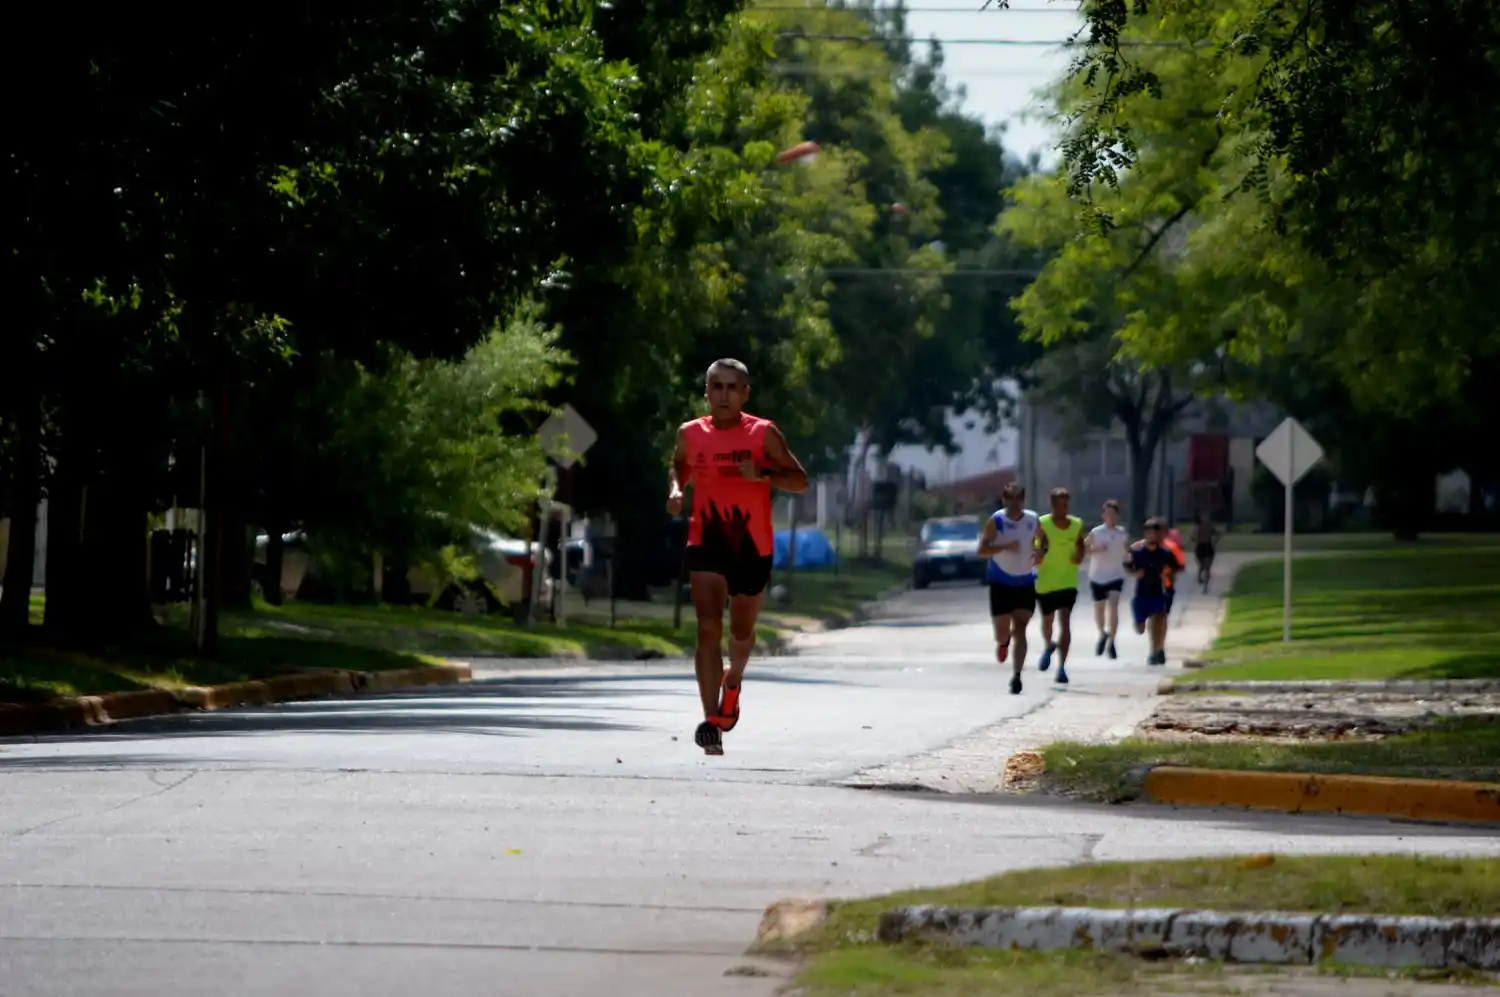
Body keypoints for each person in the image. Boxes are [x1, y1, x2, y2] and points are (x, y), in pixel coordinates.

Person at [667, 359, 808, 755]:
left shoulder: (763, 434)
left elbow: (799, 480)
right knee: (708, 627)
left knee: (741, 635)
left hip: (751, 545)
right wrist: (677, 491)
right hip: (706, 539)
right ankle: (711, 721)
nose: (723, 395)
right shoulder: (691, 434)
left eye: (732, 387)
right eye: (716, 386)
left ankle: (734, 682)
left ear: (745, 393)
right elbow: (679, 465)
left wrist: (761, 474)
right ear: (707, 392)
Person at [978, 482, 1044, 695]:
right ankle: (1004, 642)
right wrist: (1005, 546)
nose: (1015, 503)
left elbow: (1043, 542)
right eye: (1010, 498)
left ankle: (1016, 676)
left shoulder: (1033, 520)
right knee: (1002, 631)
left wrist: (1041, 552)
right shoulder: (997, 521)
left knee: (1022, 628)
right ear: (1004, 500)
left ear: (1023, 500)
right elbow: (981, 550)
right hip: (1001, 582)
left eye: (1019, 498)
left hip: (1025, 581)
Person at [1035, 487, 1085, 685]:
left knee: (1065, 621)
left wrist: (1079, 556)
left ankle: (1062, 667)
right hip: (1046, 582)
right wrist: (1037, 556)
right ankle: (1048, 645)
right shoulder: (1042, 524)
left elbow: (1081, 546)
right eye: (1058, 505)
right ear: (1052, 505)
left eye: (1065, 505)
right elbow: (1036, 546)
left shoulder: (1076, 524)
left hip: (1067, 581)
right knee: (1048, 622)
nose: (1062, 509)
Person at [1125, 516, 1178, 666]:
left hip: (1157, 593)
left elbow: (1175, 568)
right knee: (1140, 629)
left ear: (1159, 534)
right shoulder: (1138, 552)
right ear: (1145, 534)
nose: (1151, 536)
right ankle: (1140, 624)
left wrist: (1168, 573)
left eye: (1154, 533)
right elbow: (1128, 565)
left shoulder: (1165, 553)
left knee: (1157, 622)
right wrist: (1135, 573)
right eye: (1149, 533)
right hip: (1141, 594)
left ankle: (1154, 652)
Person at [1085, 499, 1129, 659]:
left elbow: (1127, 550)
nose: (1110, 516)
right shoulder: (1096, 532)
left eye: (1113, 514)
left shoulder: (1122, 533)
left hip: (1116, 575)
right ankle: (1102, 633)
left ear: (1117, 516)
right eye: (1107, 513)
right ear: (1103, 515)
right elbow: (1084, 549)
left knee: (1114, 606)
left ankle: (1112, 641)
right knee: (1100, 609)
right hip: (1097, 575)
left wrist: (1131, 559)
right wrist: (1095, 549)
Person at [1192, 513, 1220, 591]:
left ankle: (1206, 586)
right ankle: (1199, 577)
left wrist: (1215, 540)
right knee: (1202, 565)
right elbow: (1192, 537)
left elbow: (1218, 534)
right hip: (1200, 547)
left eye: (1206, 519)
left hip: (1208, 546)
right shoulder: (1197, 528)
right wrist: (1196, 539)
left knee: (1207, 567)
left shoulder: (1210, 527)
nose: (1205, 520)